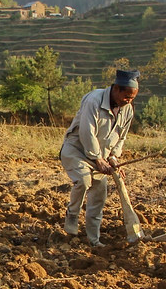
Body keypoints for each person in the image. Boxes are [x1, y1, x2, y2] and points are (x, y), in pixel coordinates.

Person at [60, 69, 139, 247]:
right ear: (116, 89)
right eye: (127, 97)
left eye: (133, 98)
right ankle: (72, 215)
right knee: (83, 180)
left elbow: (121, 137)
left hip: (101, 157)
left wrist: (113, 158)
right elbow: (86, 132)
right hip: (77, 150)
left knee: (99, 195)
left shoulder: (127, 110)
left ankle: (93, 240)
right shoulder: (94, 100)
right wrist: (97, 158)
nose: (129, 101)